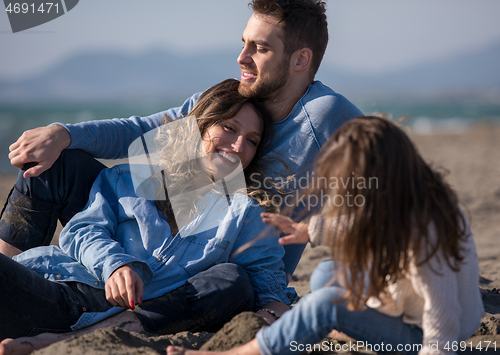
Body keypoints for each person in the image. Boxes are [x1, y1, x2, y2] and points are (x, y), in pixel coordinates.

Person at [0, 0, 363, 278]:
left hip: (225, 269)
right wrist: (64, 133)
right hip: (156, 235)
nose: (242, 57)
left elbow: (394, 190)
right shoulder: (233, 100)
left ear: (301, 60)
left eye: (260, 48)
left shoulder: (326, 115)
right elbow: (143, 132)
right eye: (244, 44)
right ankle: (9, 281)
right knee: (53, 165)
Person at [0, 79, 296, 354]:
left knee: (235, 280)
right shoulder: (131, 177)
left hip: (144, 319)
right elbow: (82, 229)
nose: (238, 146)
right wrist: (115, 265)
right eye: (229, 128)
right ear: (199, 127)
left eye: (252, 140)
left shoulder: (245, 215)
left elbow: (268, 285)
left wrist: (273, 312)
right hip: (66, 294)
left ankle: (62, 343)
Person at [166, 116, 484, 355]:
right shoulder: (409, 195)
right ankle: (352, 329)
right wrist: (311, 231)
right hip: (408, 304)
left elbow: (442, 317)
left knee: (326, 303)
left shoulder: (426, 231)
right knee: (325, 275)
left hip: (428, 334)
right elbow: (367, 226)